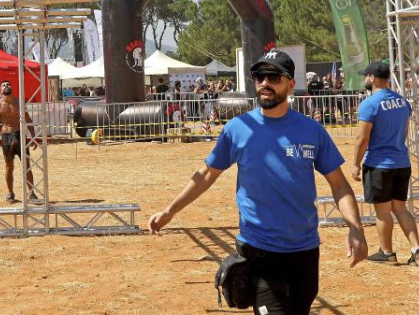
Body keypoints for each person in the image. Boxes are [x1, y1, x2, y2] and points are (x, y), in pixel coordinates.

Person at [149, 49, 367, 315]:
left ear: (290, 84)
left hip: (305, 252)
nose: (265, 82)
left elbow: (339, 185)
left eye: (273, 76)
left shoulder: (312, 131)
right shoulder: (238, 129)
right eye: (259, 76)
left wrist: (355, 228)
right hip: (259, 251)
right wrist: (170, 211)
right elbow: (206, 175)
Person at [351, 61, 419, 268]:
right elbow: (404, 133)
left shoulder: (370, 104)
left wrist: (355, 164)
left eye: (366, 76)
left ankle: (387, 253)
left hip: (379, 164)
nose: (365, 79)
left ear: (373, 78)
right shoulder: (403, 101)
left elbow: (362, 138)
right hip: (401, 162)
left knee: (383, 211)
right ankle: (416, 249)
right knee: (401, 208)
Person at [0, 80, 41, 204]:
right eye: (4, 85)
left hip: (19, 135)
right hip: (6, 137)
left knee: (26, 165)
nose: (7, 86)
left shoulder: (18, 103)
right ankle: (10, 193)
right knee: (9, 166)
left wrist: (33, 136)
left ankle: (31, 192)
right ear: (0, 90)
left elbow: (27, 118)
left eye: (8, 84)